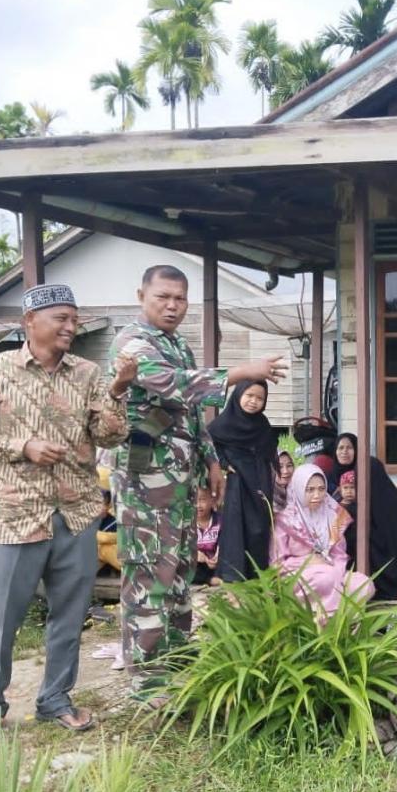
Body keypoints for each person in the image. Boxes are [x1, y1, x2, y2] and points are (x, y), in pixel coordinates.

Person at [0, 283, 136, 741]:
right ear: (29, 322)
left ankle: (55, 698)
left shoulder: (88, 373)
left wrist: (116, 390)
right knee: (1, 616)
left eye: (74, 319)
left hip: (76, 513)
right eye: (61, 318)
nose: (71, 327)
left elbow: (111, 436)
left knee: (70, 613)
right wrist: (23, 446)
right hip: (16, 516)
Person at [110, 264, 286, 705]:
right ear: (141, 296)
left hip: (181, 481)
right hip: (145, 480)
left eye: (180, 299)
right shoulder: (133, 343)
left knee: (178, 566)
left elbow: (190, 413)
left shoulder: (177, 344)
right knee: (150, 569)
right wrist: (241, 371)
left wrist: (211, 462)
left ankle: (174, 650)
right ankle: (146, 673)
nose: (172, 306)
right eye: (163, 297)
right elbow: (177, 385)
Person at [329, 433, 397, 601]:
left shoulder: (369, 471)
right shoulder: (331, 477)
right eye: (340, 448)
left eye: (349, 448)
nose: (344, 452)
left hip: (390, 548)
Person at [271, 463, 375, 621]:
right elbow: (276, 564)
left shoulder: (333, 516)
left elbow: (339, 555)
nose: (317, 495)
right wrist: (307, 562)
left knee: (364, 585)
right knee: (326, 578)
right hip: (296, 576)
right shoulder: (285, 519)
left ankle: (345, 629)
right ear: (298, 489)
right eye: (310, 490)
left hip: (331, 570)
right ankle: (325, 628)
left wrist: (336, 572)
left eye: (321, 489)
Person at [208, 379, 277, 582]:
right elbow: (207, 446)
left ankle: (257, 577)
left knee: (258, 529)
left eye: (260, 398)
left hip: (258, 481)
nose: (254, 402)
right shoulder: (222, 424)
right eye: (249, 396)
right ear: (238, 395)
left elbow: (269, 452)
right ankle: (232, 576)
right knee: (235, 529)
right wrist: (221, 463)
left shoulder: (262, 424)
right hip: (236, 484)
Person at [192, 488, 220, 585]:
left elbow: (226, 540)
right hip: (198, 565)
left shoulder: (221, 520)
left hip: (217, 563)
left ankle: (220, 577)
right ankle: (210, 580)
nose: (198, 505)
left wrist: (219, 555)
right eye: (194, 500)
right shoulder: (186, 523)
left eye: (202, 499)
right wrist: (195, 554)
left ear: (212, 500)